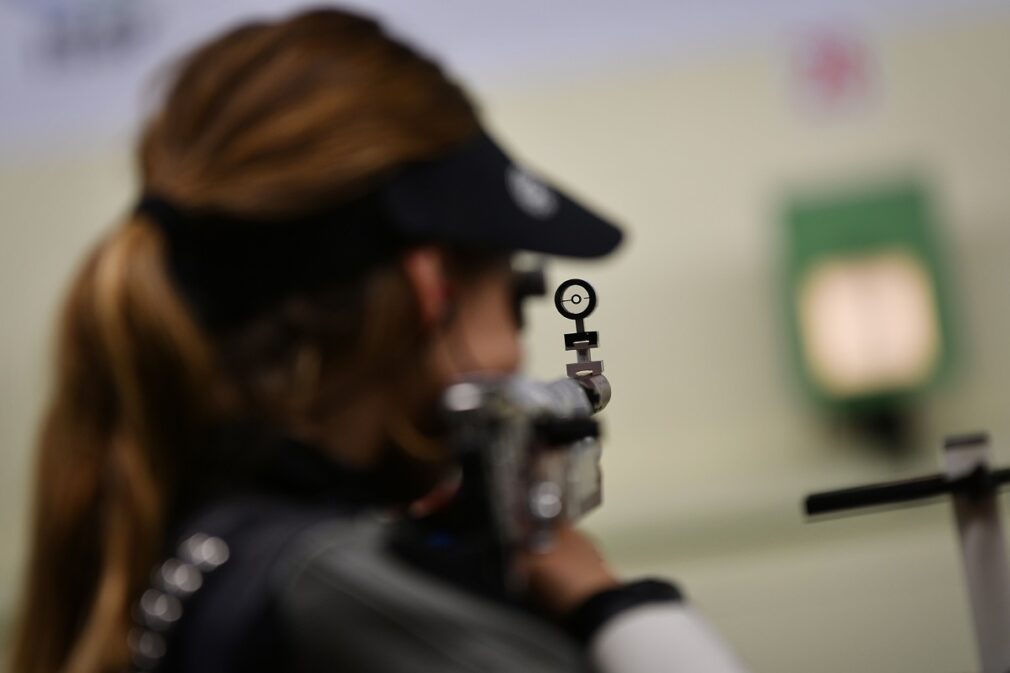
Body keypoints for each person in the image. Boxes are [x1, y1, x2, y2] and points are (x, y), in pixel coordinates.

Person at [10, 8, 747, 673]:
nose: (519, 355)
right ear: (432, 287)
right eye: (516, 294)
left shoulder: (196, 543)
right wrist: (610, 604)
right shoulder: (341, 595)